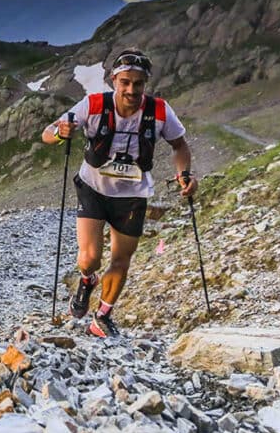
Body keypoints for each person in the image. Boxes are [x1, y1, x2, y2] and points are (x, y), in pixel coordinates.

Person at [41, 48, 197, 339]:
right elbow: (48, 133)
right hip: (93, 188)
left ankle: (102, 317)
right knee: (89, 258)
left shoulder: (159, 111)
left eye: (138, 84)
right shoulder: (93, 104)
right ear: (114, 80)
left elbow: (180, 146)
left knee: (121, 259)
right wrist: (62, 132)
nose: (131, 90)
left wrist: (184, 174)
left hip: (133, 194)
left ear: (145, 83)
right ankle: (87, 280)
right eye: (125, 82)